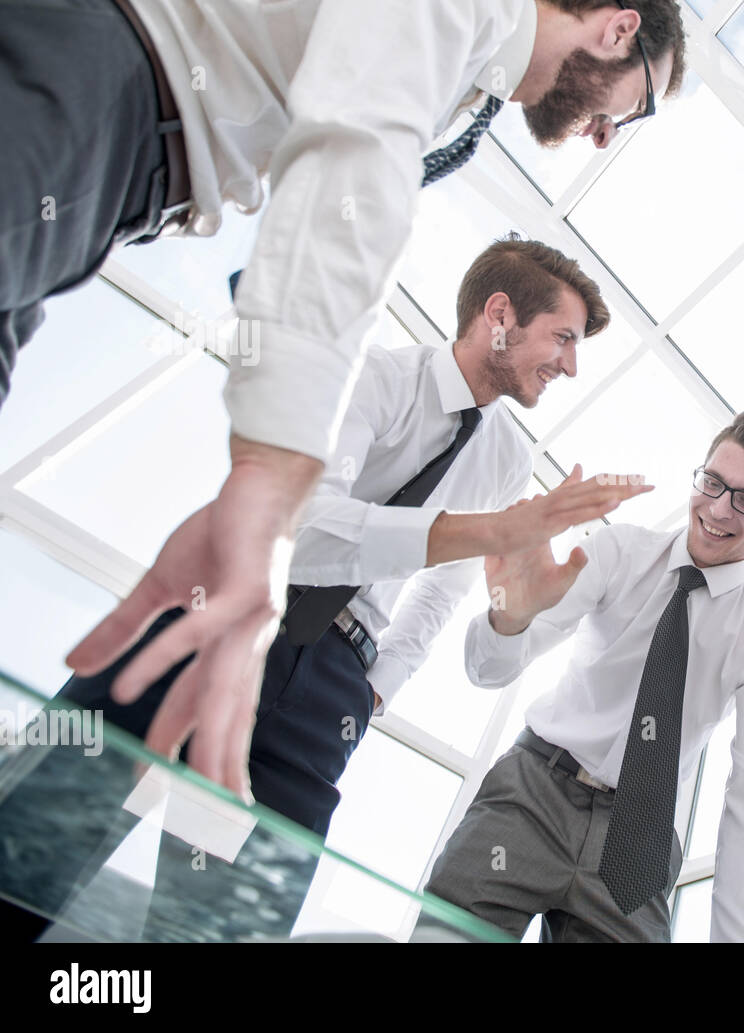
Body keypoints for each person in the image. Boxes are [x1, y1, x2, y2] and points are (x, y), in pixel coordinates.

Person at [0, 0, 686, 798]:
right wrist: (271, 479)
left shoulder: (470, 78)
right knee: (53, 806)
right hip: (102, 91)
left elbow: (330, 165)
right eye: (633, 109)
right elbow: (355, 173)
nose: (606, 134)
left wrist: (374, 688)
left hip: (118, 179)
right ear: (619, 29)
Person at [0, 234, 652, 941]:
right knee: (38, 838)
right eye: (562, 337)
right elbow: (308, 524)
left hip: (329, 688)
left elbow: (440, 593)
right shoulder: (367, 377)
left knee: (227, 921)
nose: (571, 365)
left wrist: (375, 688)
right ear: (500, 313)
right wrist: (488, 530)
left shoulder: (506, 455)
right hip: (217, 613)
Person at [423, 412, 744, 942]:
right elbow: (488, 671)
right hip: (534, 793)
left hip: (638, 837)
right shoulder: (619, 552)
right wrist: (509, 618)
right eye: (713, 483)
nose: (719, 509)